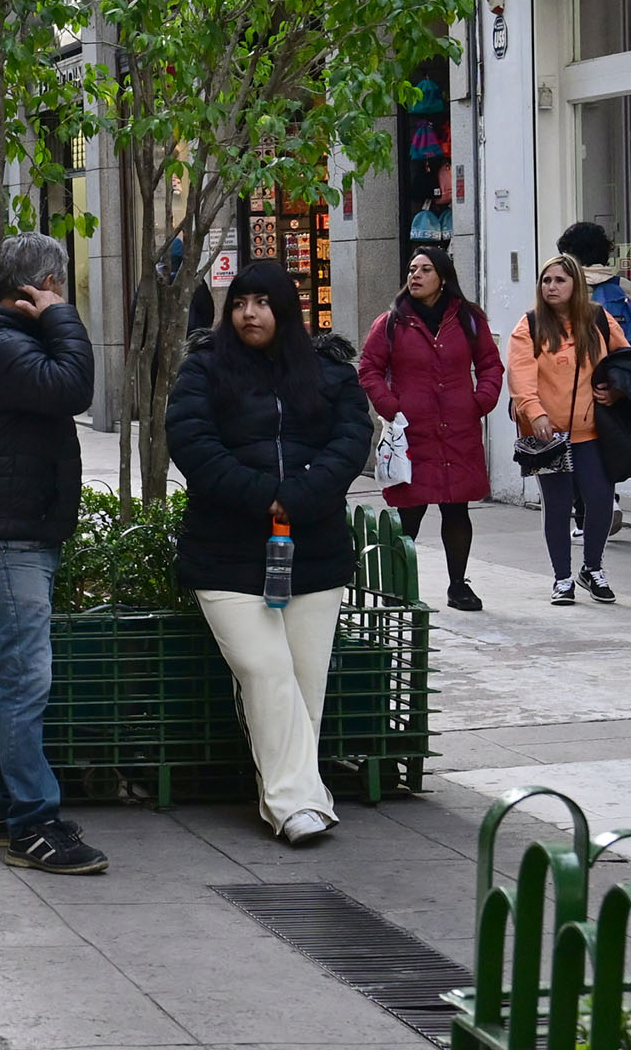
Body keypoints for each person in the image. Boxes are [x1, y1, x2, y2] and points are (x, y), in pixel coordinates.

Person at [169, 260, 374, 844]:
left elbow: (350, 438)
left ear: (287, 309)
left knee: (304, 682)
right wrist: (265, 498)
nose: (249, 313)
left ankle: (284, 798)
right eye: (239, 302)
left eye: (262, 302)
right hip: (226, 553)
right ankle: (297, 804)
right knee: (266, 671)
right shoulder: (204, 369)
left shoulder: (329, 372)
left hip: (313, 551)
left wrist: (299, 496)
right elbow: (193, 443)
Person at [0, 233, 105, 875]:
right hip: (4, 537)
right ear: (42, 288)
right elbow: (74, 388)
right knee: (25, 678)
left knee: (8, 676)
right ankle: (33, 823)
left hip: (13, 531)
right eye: (61, 292)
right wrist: (61, 320)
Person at [357, 247, 502, 612]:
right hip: (411, 432)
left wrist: (480, 401)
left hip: (458, 429)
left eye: (425, 270)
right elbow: (369, 368)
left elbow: (490, 365)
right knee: (409, 512)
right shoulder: (391, 322)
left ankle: (458, 585)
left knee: (456, 509)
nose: (415, 276)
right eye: (411, 269)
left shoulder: (469, 320)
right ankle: (398, 587)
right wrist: (391, 407)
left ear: (442, 278)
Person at [507, 254, 629, 605]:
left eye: (559, 280)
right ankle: (562, 577)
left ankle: (592, 569)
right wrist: (535, 413)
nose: (551, 287)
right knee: (557, 505)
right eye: (546, 281)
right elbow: (521, 377)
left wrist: (617, 389)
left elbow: (625, 361)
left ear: (576, 284)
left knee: (601, 499)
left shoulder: (597, 319)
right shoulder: (529, 325)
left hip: (592, 432)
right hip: (548, 436)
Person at [557, 223, 631, 540]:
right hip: (613, 380)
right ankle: (608, 497)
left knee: (575, 447)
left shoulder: (568, 287)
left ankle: (588, 511)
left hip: (574, 380)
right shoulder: (624, 286)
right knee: (605, 444)